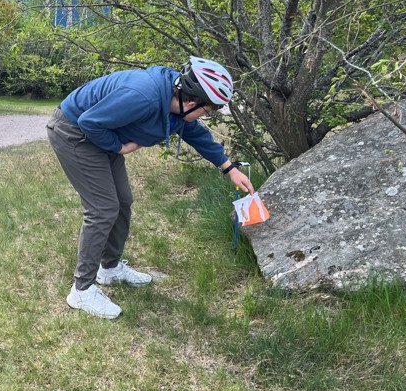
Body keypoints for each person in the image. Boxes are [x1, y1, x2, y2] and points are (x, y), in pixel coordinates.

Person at [47, 56, 255, 319]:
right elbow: (90, 122)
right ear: (192, 103)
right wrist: (119, 147)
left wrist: (228, 167)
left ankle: (109, 269)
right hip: (74, 132)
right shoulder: (143, 95)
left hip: (99, 134)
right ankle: (81, 290)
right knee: (103, 208)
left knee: (122, 201)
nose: (205, 116)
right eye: (208, 110)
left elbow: (194, 132)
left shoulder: (177, 105)